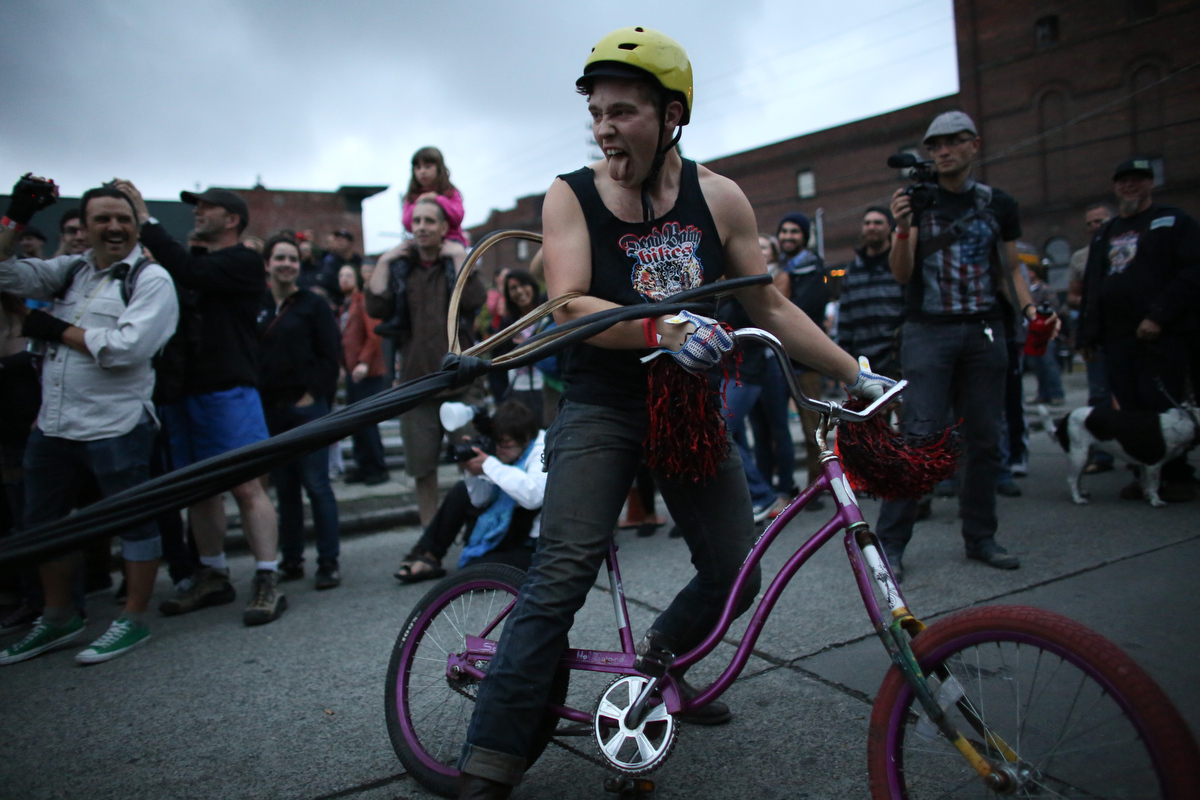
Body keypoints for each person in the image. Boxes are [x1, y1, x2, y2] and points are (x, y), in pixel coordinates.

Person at [454, 28, 892, 798]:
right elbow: (569, 303)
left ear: (672, 113)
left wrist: (852, 371)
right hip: (601, 403)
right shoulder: (573, 193)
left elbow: (765, 302)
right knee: (560, 576)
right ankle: (489, 756)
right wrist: (663, 326)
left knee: (734, 573)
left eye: (622, 111)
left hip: (686, 407)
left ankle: (654, 673)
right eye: (596, 112)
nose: (604, 127)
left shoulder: (718, 197)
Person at [0, 179, 179, 665]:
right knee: (45, 526)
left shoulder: (149, 278)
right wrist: (15, 217)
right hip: (52, 424)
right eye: (103, 219)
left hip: (117, 424)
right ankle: (59, 617)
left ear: (136, 223)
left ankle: (132, 619)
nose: (115, 227)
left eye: (123, 218)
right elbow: (3, 272)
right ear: (86, 227)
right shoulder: (69, 272)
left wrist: (56, 329)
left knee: (135, 524)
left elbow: (129, 348)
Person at [876, 110, 1048, 582]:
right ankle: (890, 545)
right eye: (935, 145)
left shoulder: (999, 204)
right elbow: (902, 273)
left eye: (953, 142)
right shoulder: (917, 201)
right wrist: (904, 227)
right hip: (927, 331)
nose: (943, 151)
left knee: (985, 441)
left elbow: (1012, 267)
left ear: (975, 144)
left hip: (984, 331)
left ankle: (980, 537)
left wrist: (1031, 310)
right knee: (918, 438)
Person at [115, 181, 285, 627]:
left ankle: (268, 578)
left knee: (247, 486)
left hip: (228, 389)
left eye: (206, 207)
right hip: (181, 392)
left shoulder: (244, 261)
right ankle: (212, 574)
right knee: (200, 489)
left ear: (231, 219)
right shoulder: (192, 264)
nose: (197, 212)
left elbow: (189, 274)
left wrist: (145, 218)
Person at [1078, 158, 1200, 503]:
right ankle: (1143, 476)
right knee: (1129, 412)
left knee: (1163, 411)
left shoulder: (1173, 222)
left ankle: (1177, 477)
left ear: (1150, 183)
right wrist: (1087, 335)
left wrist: (1160, 316)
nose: (1129, 186)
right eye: (1123, 181)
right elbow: (1094, 285)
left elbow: (1193, 273)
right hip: (1118, 339)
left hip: (1163, 337)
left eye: (1137, 180)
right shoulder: (1106, 232)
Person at [366, 198, 485, 527]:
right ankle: (430, 540)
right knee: (422, 469)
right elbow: (376, 306)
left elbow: (475, 299)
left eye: (429, 221)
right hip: (417, 385)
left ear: (444, 228)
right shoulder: (404, 270)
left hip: (461, 382)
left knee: (474, 462)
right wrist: (386, 260)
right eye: (416, 220)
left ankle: (479, 535)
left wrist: (460, 256)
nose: (420, 227)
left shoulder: (455, 263)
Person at [257, 235, 344, 588]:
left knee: (317, 485)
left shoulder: (313, 305)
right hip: (270, 411)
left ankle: (328, 562)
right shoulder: (257, 305)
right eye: (279, 258)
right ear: (267, 263)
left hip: (308, 410)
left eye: (292, 258)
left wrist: (312, 395)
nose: (287, 264)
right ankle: (291, 559)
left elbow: (330, 352)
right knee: (285, 489)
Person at [395, 400, 546, 583]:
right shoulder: (504, 451)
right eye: (497, 443)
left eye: (505, 445)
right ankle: (429, 554)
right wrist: (474, 471)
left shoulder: (541, 450)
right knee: (461, 490)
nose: (499, 451)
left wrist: (490, 465)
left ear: (526, 439)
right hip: (511, 526)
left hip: (534, 541)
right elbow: (479, 500)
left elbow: (533, 496)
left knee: (471, 574)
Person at [775, 211, 829, 493]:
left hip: (805, 361)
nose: (787, 237)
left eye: (794, 232)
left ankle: (816, 486)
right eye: (784, 231)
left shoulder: (813, 270)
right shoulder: (778, 269)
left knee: (812, 431)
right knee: (776, 428)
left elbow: (801, 313)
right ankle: (786, 487)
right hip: (777, 360)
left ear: (805, 238)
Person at [1067, 203, 1115, 473]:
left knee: (1133, 396)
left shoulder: (1125, 247)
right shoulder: (1080, 258)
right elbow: (1073, 296)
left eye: (1100, 221)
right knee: (1099, 395)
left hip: (1128, 332)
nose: (1095, 226)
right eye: (1090, 223)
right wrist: (1093, 301)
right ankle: (1102, 456)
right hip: (1097, 332)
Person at [337, 263, 389, 485]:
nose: (345, 279)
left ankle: (377, 468)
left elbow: (375, 332)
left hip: (366, 373)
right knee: (355, 423)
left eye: (349, 275)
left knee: (367, 423)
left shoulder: (362, 301)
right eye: (341, 275)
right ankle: (363, 467)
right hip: (352, 373)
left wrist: (364, 362)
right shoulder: (345, 306)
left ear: (356, 278)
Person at [836, 206, 903, 379]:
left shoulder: (899, 266)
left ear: (890, 228)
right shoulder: (853, 270)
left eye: (878, 222)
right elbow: (844, 319)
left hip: (898, 359)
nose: (871, 227)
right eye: (867, 223)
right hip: (863, 364)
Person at [497, 269, 546, 421]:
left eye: (523, 285)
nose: (519, 291)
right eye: (513, 288)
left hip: (547, 387)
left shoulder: (548, 314)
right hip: (518, 389)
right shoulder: (508, 323)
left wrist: (531, 345)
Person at [402, 146, 467, 247]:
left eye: (427, 166)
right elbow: (407, 223)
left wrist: (438, 199)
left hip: (450, 240)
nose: (422, 171)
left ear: (439, 168)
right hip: (422, 243)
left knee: (457, 255)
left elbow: (458, 217)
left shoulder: (450, 192)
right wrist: (419, 202)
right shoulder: (411, 196)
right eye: (418, 167)